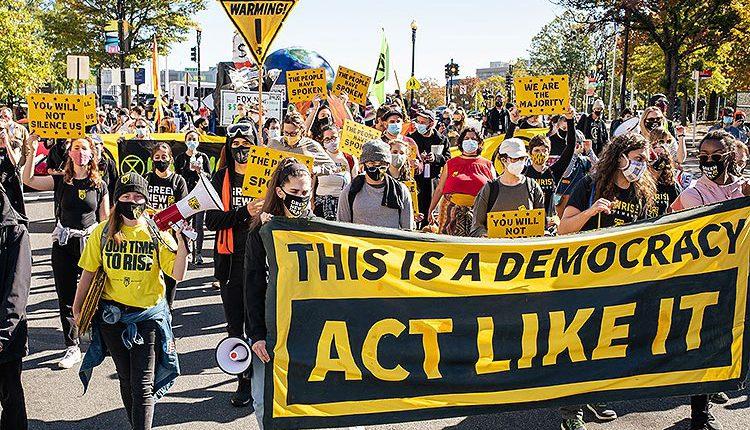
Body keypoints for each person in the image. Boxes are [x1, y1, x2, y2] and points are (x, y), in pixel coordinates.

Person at [74, 172, 188, 430]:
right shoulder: (102, 232)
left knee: (143, 385)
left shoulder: (156, 232)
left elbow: (178, 273)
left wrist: (182, 245)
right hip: (111, 318)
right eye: (126, 196)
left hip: (147, 318)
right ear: (117, 199)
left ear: (146, 200)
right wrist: (77, 307)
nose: (132, 201)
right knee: (126, 379)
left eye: (138, 196)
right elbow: (88, 272)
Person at [557, 134, 657, 429]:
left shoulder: (641, 193)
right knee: (579, 343)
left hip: (620, 281)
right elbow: (564, 228)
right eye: (638, 158)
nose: (642, 165)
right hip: (585, 279)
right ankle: (571, 411)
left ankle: (597, 395)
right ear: (620, 157)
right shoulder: (590, 184)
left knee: (609, 343)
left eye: (645, 160)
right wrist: (591, 211)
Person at [670, 131, 750, 430]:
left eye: (716, 156)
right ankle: (700, 417)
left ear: (730, 157)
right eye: (703, 156)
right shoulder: (695, 193)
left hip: (740, 279)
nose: (709, 162)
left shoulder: (744, 188)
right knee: (705, 346)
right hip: (706, 281)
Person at [22, 136, 110, 369]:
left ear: (92, 154)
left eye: (85, 149)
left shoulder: (99, 184)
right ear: (69, 153)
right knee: (66, 296)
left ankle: (99, 337)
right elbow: (28, 180)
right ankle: (72, 346)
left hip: (90, 245)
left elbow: (105, 220)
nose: (80, 153)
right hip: (64, 244)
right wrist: (32, 151)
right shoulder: (61, 180)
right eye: (76, 148)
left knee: (95, 292)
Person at [245, 158, 314, 430]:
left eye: (305, 192)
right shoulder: (261, 231)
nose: (300, 197)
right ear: (280, 192)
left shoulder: (316, 229)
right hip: (271, 328)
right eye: (294, 192)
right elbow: (253, 284)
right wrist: (257, 334)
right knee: (263, 401)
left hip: (305, 327)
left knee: (302, 402)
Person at [205, 121, 263, 407]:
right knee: (235, 325)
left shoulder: (267, 176)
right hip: (230, 262)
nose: (241, 150)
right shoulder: (220, 179)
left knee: (259, 324)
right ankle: (242, 379)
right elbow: (211, 220)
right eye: (236, 145)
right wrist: (244, 212)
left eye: (247, 144)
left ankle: (262, 380)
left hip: (263, 261)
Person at [0, 183, 30, 430]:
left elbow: (17, 289)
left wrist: (2, 335)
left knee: (11, 398)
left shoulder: (15, 232)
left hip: (5, 336)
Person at [471, 138, 545, 237]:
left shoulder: (532, 186)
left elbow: (542, 222)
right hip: (497, 246)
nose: (519, 162)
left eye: (522, 158)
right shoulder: (490, 189)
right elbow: (476, 227)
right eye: (515, 159)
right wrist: (485, 235)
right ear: (503, 160)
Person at [428, 128, 495, 236]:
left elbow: (494, 191)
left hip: (478, 214)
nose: (470, 141)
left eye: (474, 139)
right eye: (466, 138)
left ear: (480, 143)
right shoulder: (450, 163)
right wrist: (431, 210)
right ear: (461, 142)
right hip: (450, 213)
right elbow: (440, 189)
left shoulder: (488, 165)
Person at [145, 143, 188, 308]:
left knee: (170, 276)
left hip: (170, 237)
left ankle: (168, 308)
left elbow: (183, 209)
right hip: (149, 235)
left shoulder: (178, 181)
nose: (160, 160)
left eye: (164, 157)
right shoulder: (147, 179)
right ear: (152, 160)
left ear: (170, 159)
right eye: (157, 157)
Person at [337, 140, 415, 230]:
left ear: (388, 165)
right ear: (364, 164)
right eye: (372, 163)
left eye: (382, 164)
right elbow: (342, 228)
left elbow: (407, 228)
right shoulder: (351, 190)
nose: (377, 167)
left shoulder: (400, 190)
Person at [174, 131, 211, 265]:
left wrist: (200, 171)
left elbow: (209, 176)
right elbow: (177, 177)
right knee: (184, 224)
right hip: (185, 196)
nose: (192, 142)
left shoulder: (203, 157)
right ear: (185, 141)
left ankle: (198, 253)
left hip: (199, 195)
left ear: (198, 142)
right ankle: (186, 251)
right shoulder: (180, 158)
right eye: (189, 139)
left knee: (198, 225)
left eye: (194, 139)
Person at [408, 109, 449, 228]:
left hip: (433, 180)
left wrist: (435, 158)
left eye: (422, 122)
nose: (419, 125)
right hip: (417, 179)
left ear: (431, 124)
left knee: (431, 211)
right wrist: (417, 159)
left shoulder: (441, 139)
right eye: (418, 122)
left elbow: (447, 159)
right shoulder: (412, 138)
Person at [268, 112, 337, 176]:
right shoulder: (274, 143)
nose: (289, 136)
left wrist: (316, 170)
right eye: (286, 133)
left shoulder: (312, 145)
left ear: (301, 130)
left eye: (293, 133)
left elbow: (332, 166)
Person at [313, 125, 357, 220]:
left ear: (339, 137)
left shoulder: (350, 158)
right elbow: (311, 184)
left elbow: (355, 183)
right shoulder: (318, 157)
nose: (331, 142)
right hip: (321, 205)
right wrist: (311, 203)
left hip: (343, 205)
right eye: (327, 139)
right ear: (323, 141)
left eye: (334, 138)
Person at [648, 134, 681, 217]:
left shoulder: (671, 184)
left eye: (661, 155)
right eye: (655, 155)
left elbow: (673, 210)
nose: (658, 159)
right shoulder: (641, 182)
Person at [0, 116, 26, 219]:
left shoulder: (14, 144)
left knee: (10, 215)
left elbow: (15, 162)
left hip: (9, 184)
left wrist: (7, 143)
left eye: (1, 129)